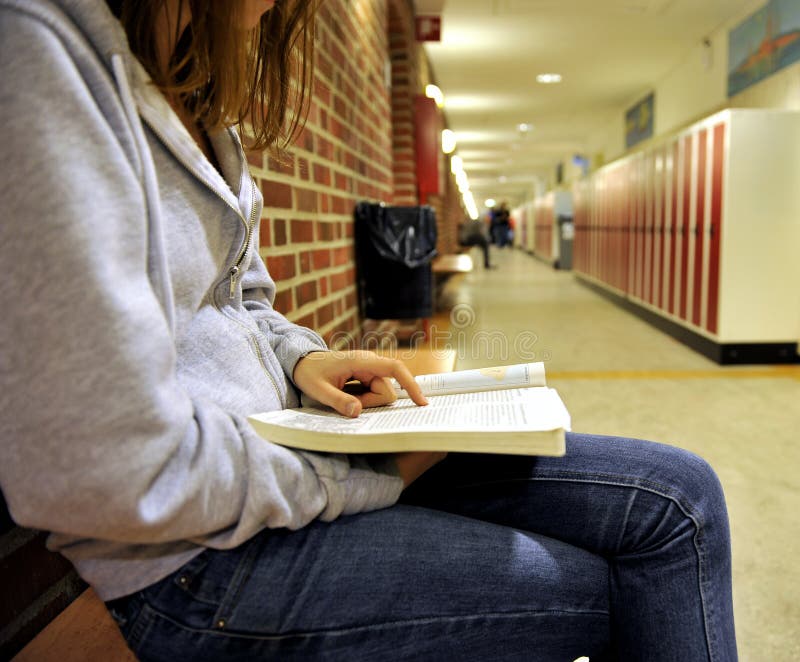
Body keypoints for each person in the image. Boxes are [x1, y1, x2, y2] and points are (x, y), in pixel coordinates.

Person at [0, 1, 738, 660]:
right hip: (193, 563)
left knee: (681, 498)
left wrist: (302, 360)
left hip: (288, 450)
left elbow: (244, 296)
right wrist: (365, 473)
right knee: (615, 589)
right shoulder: (41, 53)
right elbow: (104, 470)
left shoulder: (195, 91)